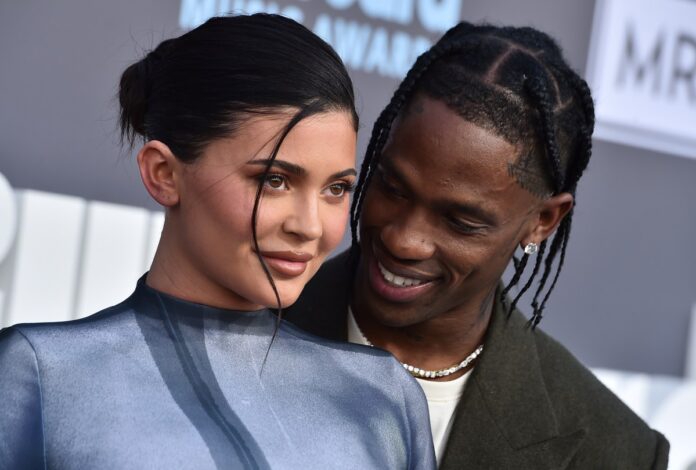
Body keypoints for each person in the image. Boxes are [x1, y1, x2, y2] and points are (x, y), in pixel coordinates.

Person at [0, 14, 436, 469]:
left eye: (336, 189)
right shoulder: (41, 376)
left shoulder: (383, 399)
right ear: (163, 174)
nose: (310, 227)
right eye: (274, 180)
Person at [286, 22, 670, 469]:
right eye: (392, 187)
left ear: (542, 221)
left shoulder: (615, 451)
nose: (403, 239)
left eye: (460, 222)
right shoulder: (247, 324)